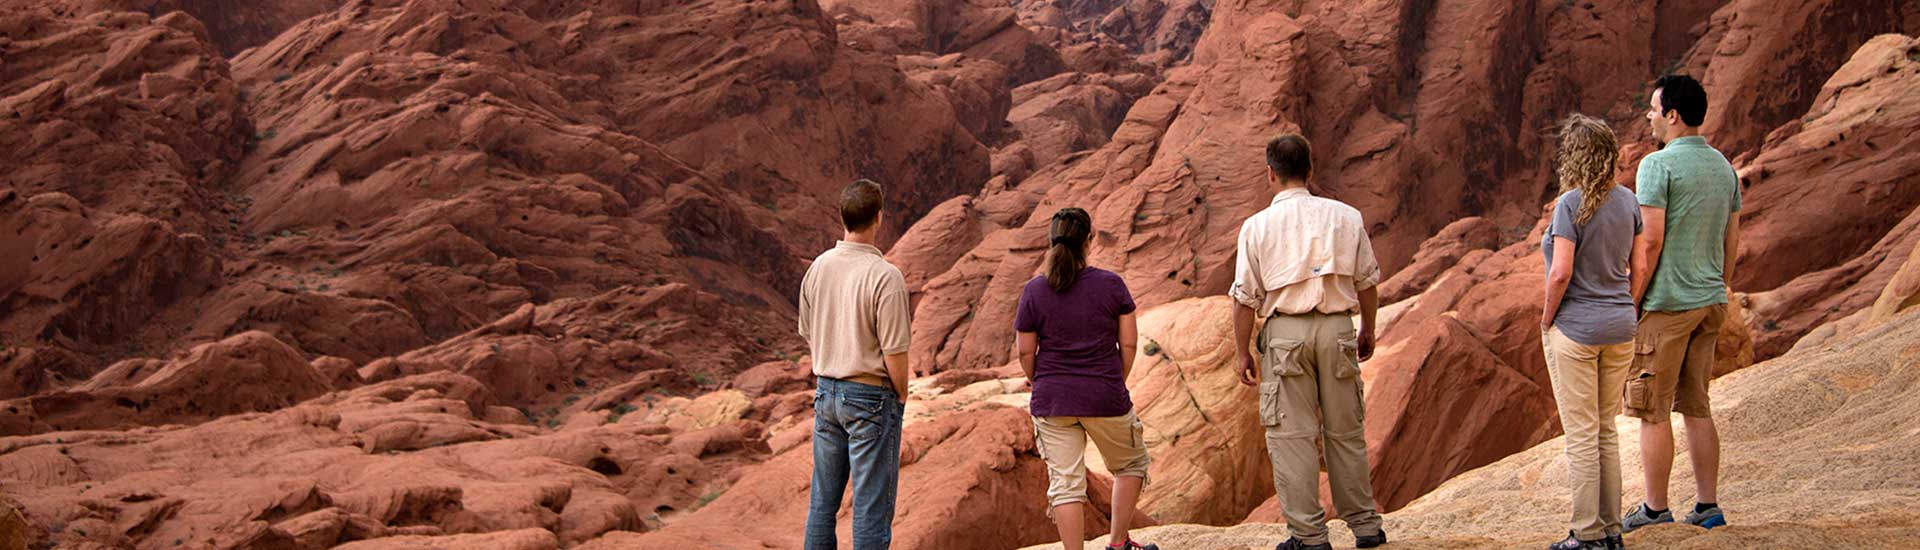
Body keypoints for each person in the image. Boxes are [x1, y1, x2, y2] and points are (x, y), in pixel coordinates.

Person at [1231, 134, 1388, 550]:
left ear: (1271, 174)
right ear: (1311, 170)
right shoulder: (1346, 216)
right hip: (1336, 328)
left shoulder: (1256, 226)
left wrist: (1241, 350)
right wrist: (1367, 327)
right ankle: (1366, 527)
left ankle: (1310, 537)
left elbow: (1245, 297)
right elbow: (1367, 281)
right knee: (1345, 432)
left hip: (1285, 336)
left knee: (1292, 437)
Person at [1621, 74, 1741, 534]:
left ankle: (1654, 509)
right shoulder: (1724, 168)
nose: (1649, 117)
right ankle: (1708, 506)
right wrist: (1719, 288)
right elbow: (1733, 241)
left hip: (1668, 304)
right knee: (1697, 406)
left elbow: (1649, 244)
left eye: (1653, 109)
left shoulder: (1657, 166)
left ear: (1672, 114)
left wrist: (1633, 302)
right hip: (1709, 301)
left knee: (1651, 409)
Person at [1015, 207, 1159, 550]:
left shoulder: (1034, 291)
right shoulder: (1112, 285)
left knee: (1065, 485)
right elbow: (1129, 342)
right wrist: (1114, 378)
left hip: (1053, 400)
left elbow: (1024, 352)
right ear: (1089, 241)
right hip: (1104, 395)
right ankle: (1118, 543)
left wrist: (1041, 381)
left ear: (1051, 242)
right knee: (1131, 464)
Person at [1540, 114, 1642, 550]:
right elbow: (1639, 267)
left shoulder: (1570, 204)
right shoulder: (1628, 202)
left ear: (1575, 156)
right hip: (1620, 327)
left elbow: (1561, 272)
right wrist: (1627, 307)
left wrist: (1547, 319)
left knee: (1581, 434)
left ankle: (1586, 534)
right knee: (1605, 430)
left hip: (1577, 329)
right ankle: (1612, 530)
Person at [798, 179, 913, 550]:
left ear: (842, 216)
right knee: (870, 510)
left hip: (826, 392)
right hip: (870, 396)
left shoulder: (818, 267)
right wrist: (901, 397)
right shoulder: (886, 276)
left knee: (822, 504)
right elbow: (895, 351)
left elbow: (807, 330)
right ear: (879, 217)